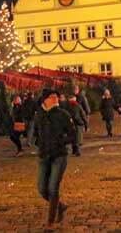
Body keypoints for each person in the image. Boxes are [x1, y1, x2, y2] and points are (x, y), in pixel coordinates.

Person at [33, 89, 76, 230]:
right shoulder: (39, 115)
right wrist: (38, 142)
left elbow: (72, 134)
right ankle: (60, 206)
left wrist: (60, 141)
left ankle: (50, 222)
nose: (55, 99)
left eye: (56, 97)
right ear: (44, 99)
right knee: (41, 188)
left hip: (59, 155)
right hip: (44, 154)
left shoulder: (63, 114)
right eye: (52, 97)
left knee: (53, 188)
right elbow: (36, 132)